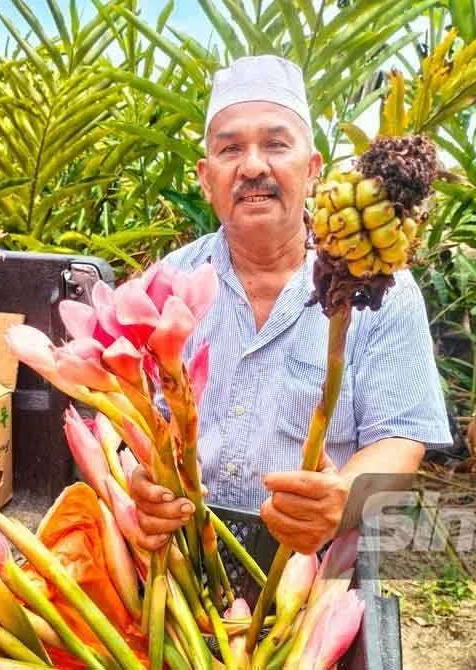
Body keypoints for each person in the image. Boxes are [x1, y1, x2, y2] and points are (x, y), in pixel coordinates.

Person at [127, 55, 452, 556]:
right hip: (180, 557)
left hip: (309, 565)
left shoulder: (380, 288)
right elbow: (132, 418)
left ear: (314, 168)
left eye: (276, 144)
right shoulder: (168, 284)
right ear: (205, 177)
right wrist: (138, 480)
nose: (253, 166)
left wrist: (342, 500)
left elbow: (401, 438)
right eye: (229, 149)